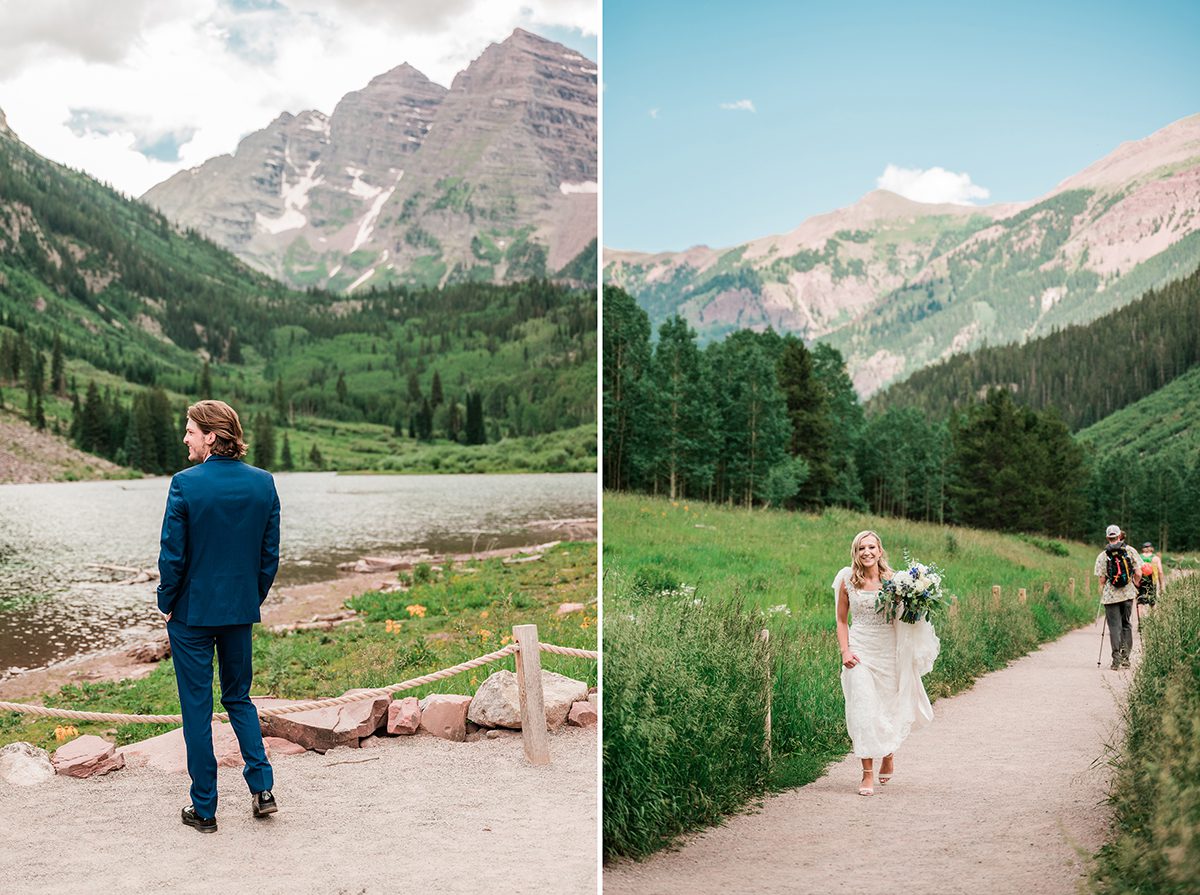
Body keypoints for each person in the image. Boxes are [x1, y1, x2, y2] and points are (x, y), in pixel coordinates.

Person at [157, 400, 281, 833]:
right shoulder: (263, 484)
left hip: (191, 614)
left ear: (211, 436)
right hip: (238, 611)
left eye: (190, 430)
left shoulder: (184, 484)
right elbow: (269, 557)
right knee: (239, 697)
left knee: (197, 709)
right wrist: (250, 598)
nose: (185, 438)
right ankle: (262, 789)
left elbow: (173, 556)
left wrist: (165, 602)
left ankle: (205, 810)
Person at [834, 530, 938, 796]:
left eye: (871, 547)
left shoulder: (895, 582)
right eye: (861, 548)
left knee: (887, 709)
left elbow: (906, 620)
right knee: (863, 709)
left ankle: (888, 753)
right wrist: (845, 651)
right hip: (859, 651)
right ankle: (866, 773)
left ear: (880, 551)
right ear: (855, 553)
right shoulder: (846, 580)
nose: (866, 552)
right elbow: (842, 620)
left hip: (888, 652)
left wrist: (918, 600)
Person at [1094, 524, 1141, 670]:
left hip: (1111, 596)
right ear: (1119, 535)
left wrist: (1101, 590)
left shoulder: (1103, 555)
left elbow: (1102, 580)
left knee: (1114, 627)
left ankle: (1116, 660)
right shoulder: (1129, 550)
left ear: (1108, 537)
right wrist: (1135, 584)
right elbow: (1139, 572)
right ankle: (1126, 658)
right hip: (1127, 593)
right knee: (1126, 624)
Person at [1137, 541, 1164, 607]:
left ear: (1143, 549)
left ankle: (1141, 617)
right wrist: (1161, 586)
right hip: (1152, 580)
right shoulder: (1156, 558)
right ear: (1152, 548)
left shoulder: (1138, 557)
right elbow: (1160, 572)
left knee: (1140, 602)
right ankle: (1152, 616)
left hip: (1141, 581)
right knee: (1152, 601)